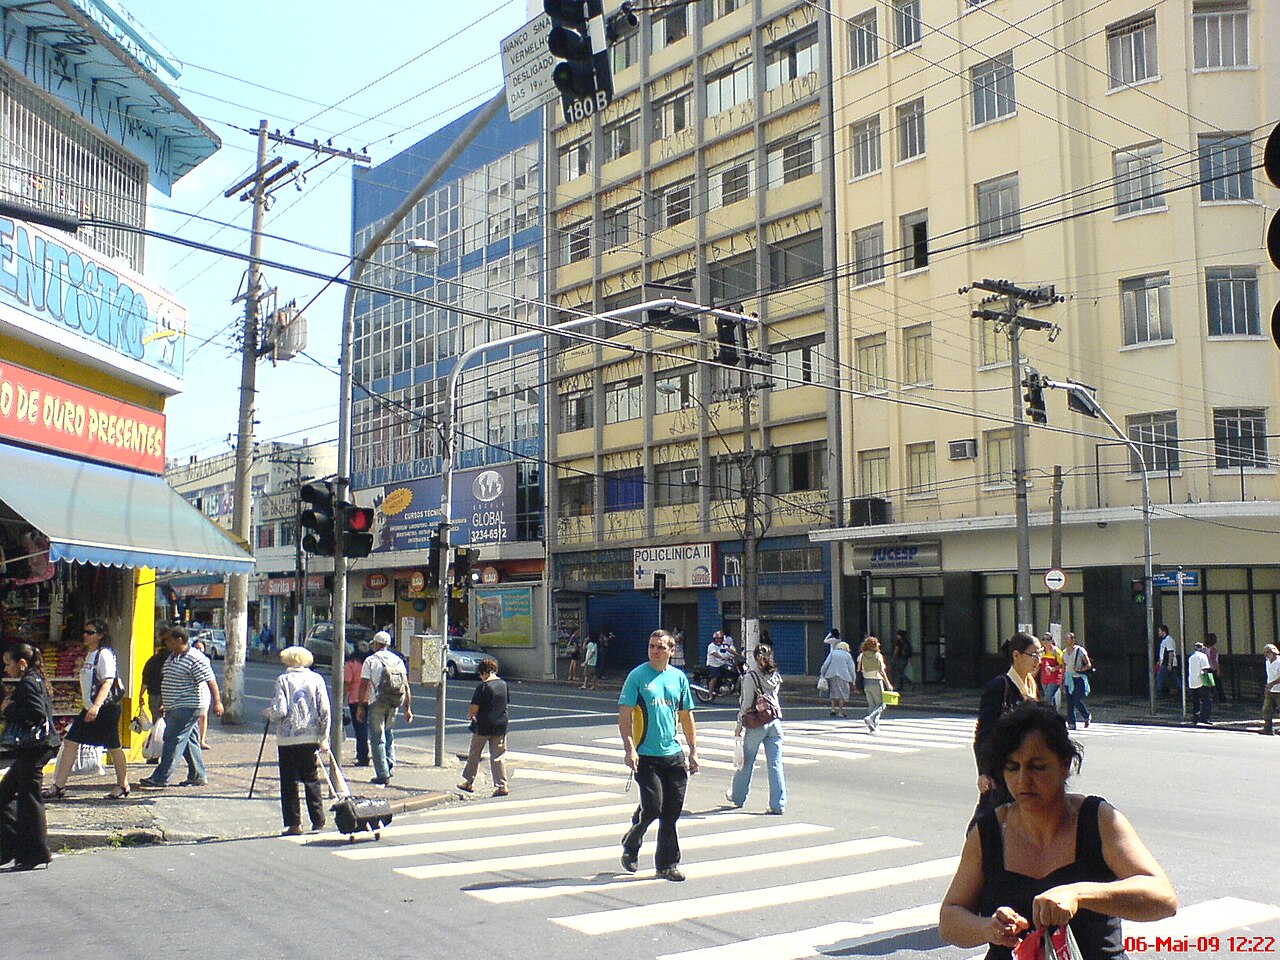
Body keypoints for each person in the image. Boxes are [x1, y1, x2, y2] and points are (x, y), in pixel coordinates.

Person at [940, 702, 1178, 959]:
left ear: (1064, 765)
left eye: (1037, 766)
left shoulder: (1097, 819)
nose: (1023, 780)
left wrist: (1078, 894)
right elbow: (950, 918)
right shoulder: (989, 832)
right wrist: (988, 928)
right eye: (1012, 767)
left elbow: (1163, 898)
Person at [618, 629, 699, 882]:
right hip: (645, 755)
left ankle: (667, 864)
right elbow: (624, 715)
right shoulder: (637, 677)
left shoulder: (678, 678)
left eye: (660, 647)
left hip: (673, 754)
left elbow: (686, 716)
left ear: (671, 651)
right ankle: (633, 840)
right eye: (652, 646)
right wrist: (629, 748)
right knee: (653, 808)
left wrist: (694, 751)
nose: (655, 651)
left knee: (671, 813)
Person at [42, 618, 130, 801]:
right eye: (85, 631)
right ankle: (59, 785)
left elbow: (107, 681)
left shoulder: (104, 654)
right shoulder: (89, 655)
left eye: (90, 632)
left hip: (105, 708)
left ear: (100, 635)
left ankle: (123, 784)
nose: (85, 635)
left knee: (113, 747)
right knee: (70, 742)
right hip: (88, 707)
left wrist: (96, 706)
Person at [139, 627, 223, 790]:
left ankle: (161, 777)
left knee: (172, 739)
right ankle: (197, 775)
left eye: (169, 640)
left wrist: (217, 703)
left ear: (179, 640)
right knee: (190, 742)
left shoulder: (195, 658)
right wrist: (165, 702)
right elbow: (167, 680)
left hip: (187, 705)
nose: (166, 643)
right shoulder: (172, 657)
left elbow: (210, 680)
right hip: (174, 706)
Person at [0, 643, 60, 870]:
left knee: (29, 800)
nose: (6, 669)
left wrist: (8, 710)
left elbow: (36, 713)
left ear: (22, 663)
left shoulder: (27, 682)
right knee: (6, 797)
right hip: (34, 750)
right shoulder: (35, 679)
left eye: (8, 663)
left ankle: (34, 853)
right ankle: (11, 849)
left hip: (35, 749)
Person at [973, 632, 1041, 824]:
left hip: (1024, 767)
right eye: (1033, 655)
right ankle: (977, 851)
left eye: (1040, 654)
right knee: (987, 821)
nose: (1038, 660)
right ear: (1016, 655)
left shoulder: (1031, 685)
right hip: (1001, 770)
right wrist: (984, 771)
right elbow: (984, 732)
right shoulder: (1000, 686)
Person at [263, 645, 331, 836]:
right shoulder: (316, 679)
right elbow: (324, 709)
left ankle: (294, 824)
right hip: (311, 736)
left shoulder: (283, 680)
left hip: (288, 738)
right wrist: (324, 737)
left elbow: (281, 710)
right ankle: (318, 819)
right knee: (311, 778)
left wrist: (268, 713)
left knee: (289, 781)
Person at [726, 643, 785, 815]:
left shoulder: (751, 677)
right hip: (775, 722)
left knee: (746, 762)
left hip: (757, 724)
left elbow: (746, 704)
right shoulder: (775, 675)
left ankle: (738, 797)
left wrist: (738, 726)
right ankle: (778, 804)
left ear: (754, 657)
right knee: (775, 764)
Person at [358, 630, 412, 787]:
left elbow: (364, 685)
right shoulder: (398, 661)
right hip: (394, 701)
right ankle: (390, 763)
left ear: (375, 644)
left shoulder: (370, 661)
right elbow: (406, 685)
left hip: (377, 701)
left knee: (377, 737)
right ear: (388, 644)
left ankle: (382, 773)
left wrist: (361, 706)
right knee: (388, 733)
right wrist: (408, 708)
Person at [458, 657, 509, 798]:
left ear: (484, 672)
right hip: (501, 724)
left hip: (483, 725)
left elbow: (474, 708)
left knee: (474, 753)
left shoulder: (483, 687)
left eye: (481, 674)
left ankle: (469, 782)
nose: (481, 677)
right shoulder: (503, 684)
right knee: (498, 755)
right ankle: (502, 785)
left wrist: (469, 716)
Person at [859, 636, 894, 733]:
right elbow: (881, 671)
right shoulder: (878, 655)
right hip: (876, 681)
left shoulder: (862, 655)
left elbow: (859, 669)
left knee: (872, 704)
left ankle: (874, 726)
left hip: (866, 681)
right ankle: (870, 718)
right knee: (882, 704)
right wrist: (888, 683)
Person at [343, 644, 370, 766]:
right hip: (371, 698)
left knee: (360, 729)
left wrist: (341, 699)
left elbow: (347, 683)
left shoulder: (351, 664)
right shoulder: (369, 663)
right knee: (374, 729)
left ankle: (362, 755)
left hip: (355, 699)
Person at [1061, 633, 1092, 731]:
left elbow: (1088, 665)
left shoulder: (1080, 650)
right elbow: (1063, 668)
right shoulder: (1064, 652)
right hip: (1068, 679)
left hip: (1078, 678)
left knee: (1076, 700)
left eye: (1067, 639)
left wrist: (1080, 669)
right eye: (1065, 639)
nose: (1065, 640)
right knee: (1069, 702)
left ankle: (1086, 715)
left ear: (1073, 640)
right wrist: (1062, 682)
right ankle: (1071, 723)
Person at [819, 640, 857, 717]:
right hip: (844, 675)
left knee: (833, 692)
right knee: (843, 693)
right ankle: (840, 712)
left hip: (831, 674)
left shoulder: (833, 653)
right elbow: (851, 668)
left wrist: (822, 674)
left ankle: (833, 709)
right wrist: (853, 680)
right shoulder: (847, 655)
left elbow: (826, 664)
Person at [190, 636, 213, 750]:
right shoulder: (189, 660)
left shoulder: (205, 660)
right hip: (193, 692)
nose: (199, 651)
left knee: (203, 716)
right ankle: (192, 740)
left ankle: (202, 740)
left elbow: (210, 678)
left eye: (201, 648)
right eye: (196, 648)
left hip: (204, 691)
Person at [1038, 634, 1065, 714]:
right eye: (1043, 639)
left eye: (1047, 639)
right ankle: (1055, 715)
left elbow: (1062, 664)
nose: (1045, 641)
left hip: (1055, 678)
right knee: (1051, 699)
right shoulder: (1041, 651)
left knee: (1047, 698)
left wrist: (1053, 669)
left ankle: (1046, 716)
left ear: (1051, 641)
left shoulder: (1056, 651)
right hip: (1044, 678)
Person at [706, 630, 737, 697]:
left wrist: (737, 654)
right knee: (714, 678)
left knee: (728, 672)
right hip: (713, 665)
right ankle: (710, 694)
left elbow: (728, 650)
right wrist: (721, 657)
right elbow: (715, 653)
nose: (718, 640)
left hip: (721, 664)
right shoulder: (711, 646)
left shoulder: (722, 646)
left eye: (720, 639)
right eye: (717, 639)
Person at [1155, 624, 1180, 698]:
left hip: (1166, 664)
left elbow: (1170, 652)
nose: (1158, 632)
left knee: (1159, 678)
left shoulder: (1168, 640)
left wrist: (1169, 664)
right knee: (1175, 679)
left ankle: (1158, 694)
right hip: (1166, 663)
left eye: (1159, 631)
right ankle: (1186, 692)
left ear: (1164, 631)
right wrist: (1160, 660)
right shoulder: (1166, 640)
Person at [1261, 644, 1280, 735]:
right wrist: (1267, 688)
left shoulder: (1279, 662)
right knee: (1266, 710)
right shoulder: (1267, 661)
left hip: (1279, 690)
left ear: (1273, 652)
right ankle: (1268, 729)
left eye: (1267, 652)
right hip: (1270, 690)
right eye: (1264, 652)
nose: (1266, 654)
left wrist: (1272, 684)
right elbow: (1269, 675)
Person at [1203, 634, 1225, 704]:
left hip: (1205, 669)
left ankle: (1208, 699)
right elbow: (1215, 661)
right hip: (1213, 669)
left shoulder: (1203, 650)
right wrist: (1218, 670)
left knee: (1208, 686)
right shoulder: (1214, 650)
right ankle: (1221, 699)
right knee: (1218, 686)